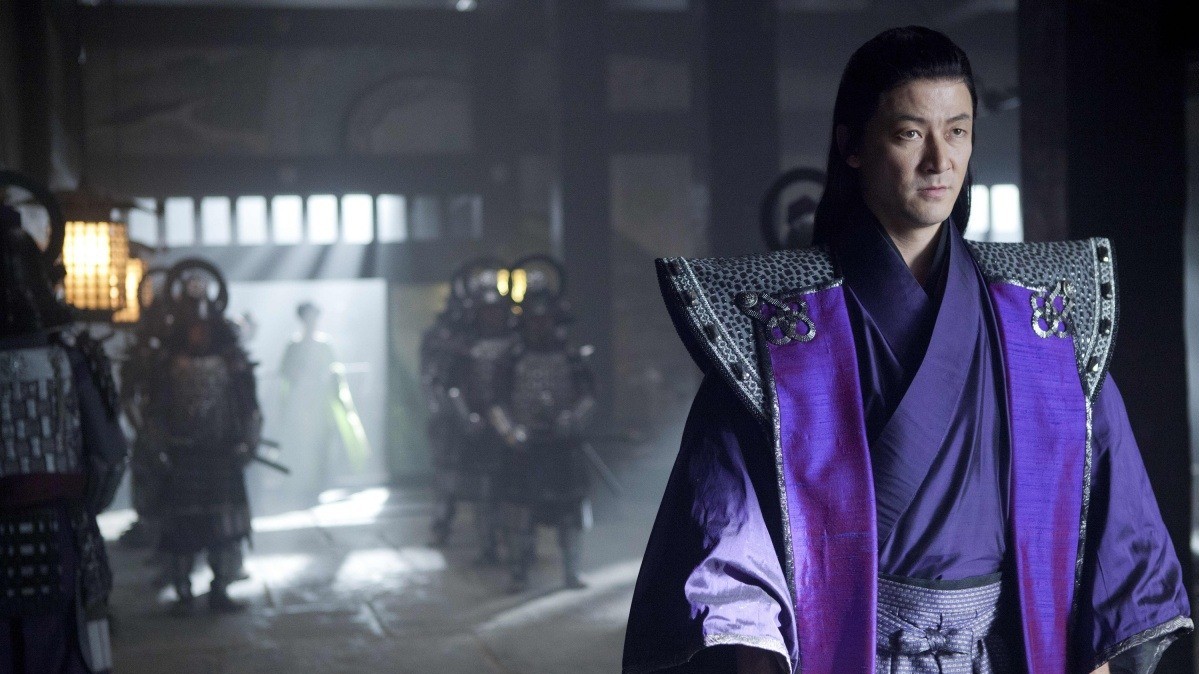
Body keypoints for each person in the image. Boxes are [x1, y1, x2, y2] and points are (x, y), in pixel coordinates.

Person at [624, 26, 1190, 674]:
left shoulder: (1041, 320)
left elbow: (1109, 506)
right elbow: (726, 526)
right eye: (908, 133)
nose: (939, 161)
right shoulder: (777, 328)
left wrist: (1096, 649)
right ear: (852, 146)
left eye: (957, 131)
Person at [0, 205, 127, 673]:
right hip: (59, 529)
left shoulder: (73, 355)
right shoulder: (72, 358)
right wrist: (81, 504)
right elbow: (109, 457)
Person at [143, 260, 262, 613]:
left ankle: (219, 587)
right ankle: (182, 589)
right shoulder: (167, 362)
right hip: (181, 457)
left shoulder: (231, 360)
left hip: (222, 454)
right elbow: (155, 408)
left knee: (223, 527)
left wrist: (249, 440)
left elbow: (248, 405)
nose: (198, 331)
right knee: (181, 528)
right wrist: (157, 446)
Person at [490, 284, 596, 592]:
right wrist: (510, 431)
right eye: (534, 319)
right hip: (523, 448)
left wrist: (573, 419)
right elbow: (496, 401)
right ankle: (519, 572)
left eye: (545, 319)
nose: (539, 325)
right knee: (519, 512)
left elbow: (588, 396)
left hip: (562, 447)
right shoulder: (511, 359)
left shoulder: (572, 357)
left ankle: (571, 571)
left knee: (570, 512)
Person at [443, 266, 517, 565]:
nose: (492, 316)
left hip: (511, 426)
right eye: (487, 311)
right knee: (482, 492)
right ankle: (487, 546)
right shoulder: (466, 347)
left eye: (496, 311)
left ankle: (518, 549)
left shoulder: (516, 345)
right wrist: (466, 417)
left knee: (515, 493)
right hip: (478, 428)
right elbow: (453, 386)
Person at [278, 301, 370, 508]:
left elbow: (334, 374)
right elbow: (286, 373)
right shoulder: (294, 346)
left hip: (320, 404)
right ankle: (301, 484)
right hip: (300, 404)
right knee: (301, 443)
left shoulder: (324, 345)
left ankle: (319, 484)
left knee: (322, 443)